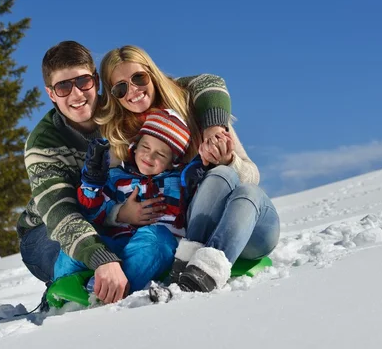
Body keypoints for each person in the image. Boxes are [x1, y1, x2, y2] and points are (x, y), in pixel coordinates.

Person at [16, 41, 235, 304]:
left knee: (155, 243)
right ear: (51, 94)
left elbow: (205, 83)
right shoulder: (44, 142)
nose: (76, 95)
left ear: (95, 81)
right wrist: (104, 252)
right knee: (73, 254)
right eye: (63, 86)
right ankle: (71, 295)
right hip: (46, 229)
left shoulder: (119, 102)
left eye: (83, 82)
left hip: (113, 219)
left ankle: (115, 284)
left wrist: (214, 128)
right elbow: (61, 214)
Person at [96, 45, 281, 293]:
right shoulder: (121, 139)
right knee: (223, 176)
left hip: (244, 227)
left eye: (139, 78)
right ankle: (197, 273)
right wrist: (119, 213)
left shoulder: (198, 112)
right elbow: (103, 194)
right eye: (121, 88)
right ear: (113, 95)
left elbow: (251, 174)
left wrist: (226, 159)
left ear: (152, 73)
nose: (133, 91)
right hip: (189, 228)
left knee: (232, 181)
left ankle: (197, 265)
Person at [52, 109, 193, 294]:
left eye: (161, 154)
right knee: (77, 247)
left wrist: (200, 171)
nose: (149, 157)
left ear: (172, 162)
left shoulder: (179, 181)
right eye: (146, 147)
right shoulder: (117, 177)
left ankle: (109, 291)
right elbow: (94, 213)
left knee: (158, 239)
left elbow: (200, 203)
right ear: (135, 146)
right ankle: (58, 290)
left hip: (154, 249)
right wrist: (92, 183)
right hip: (118, 245)